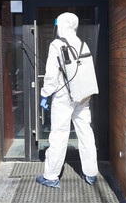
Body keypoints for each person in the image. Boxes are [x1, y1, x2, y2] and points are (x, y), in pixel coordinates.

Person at [36, 12, 98, 188]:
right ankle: (91, 173)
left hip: (64, 97)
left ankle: (51, 176)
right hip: (83, 95)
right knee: (85, 132)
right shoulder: (82, 43)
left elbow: (51, 75)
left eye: (57, 22)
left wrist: (45, 94)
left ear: (62, 24)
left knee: (59, 134)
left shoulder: (56, 44)